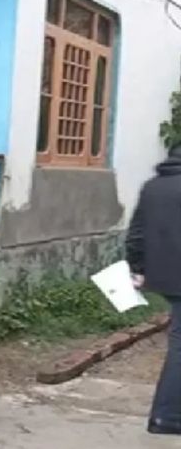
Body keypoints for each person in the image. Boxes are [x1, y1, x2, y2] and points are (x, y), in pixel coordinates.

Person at [126, 145, 181, 436]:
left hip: (164, 277)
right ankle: (167, 416)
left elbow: (136, 234)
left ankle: (166, 415)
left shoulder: (152, 187)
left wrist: (138, 268)